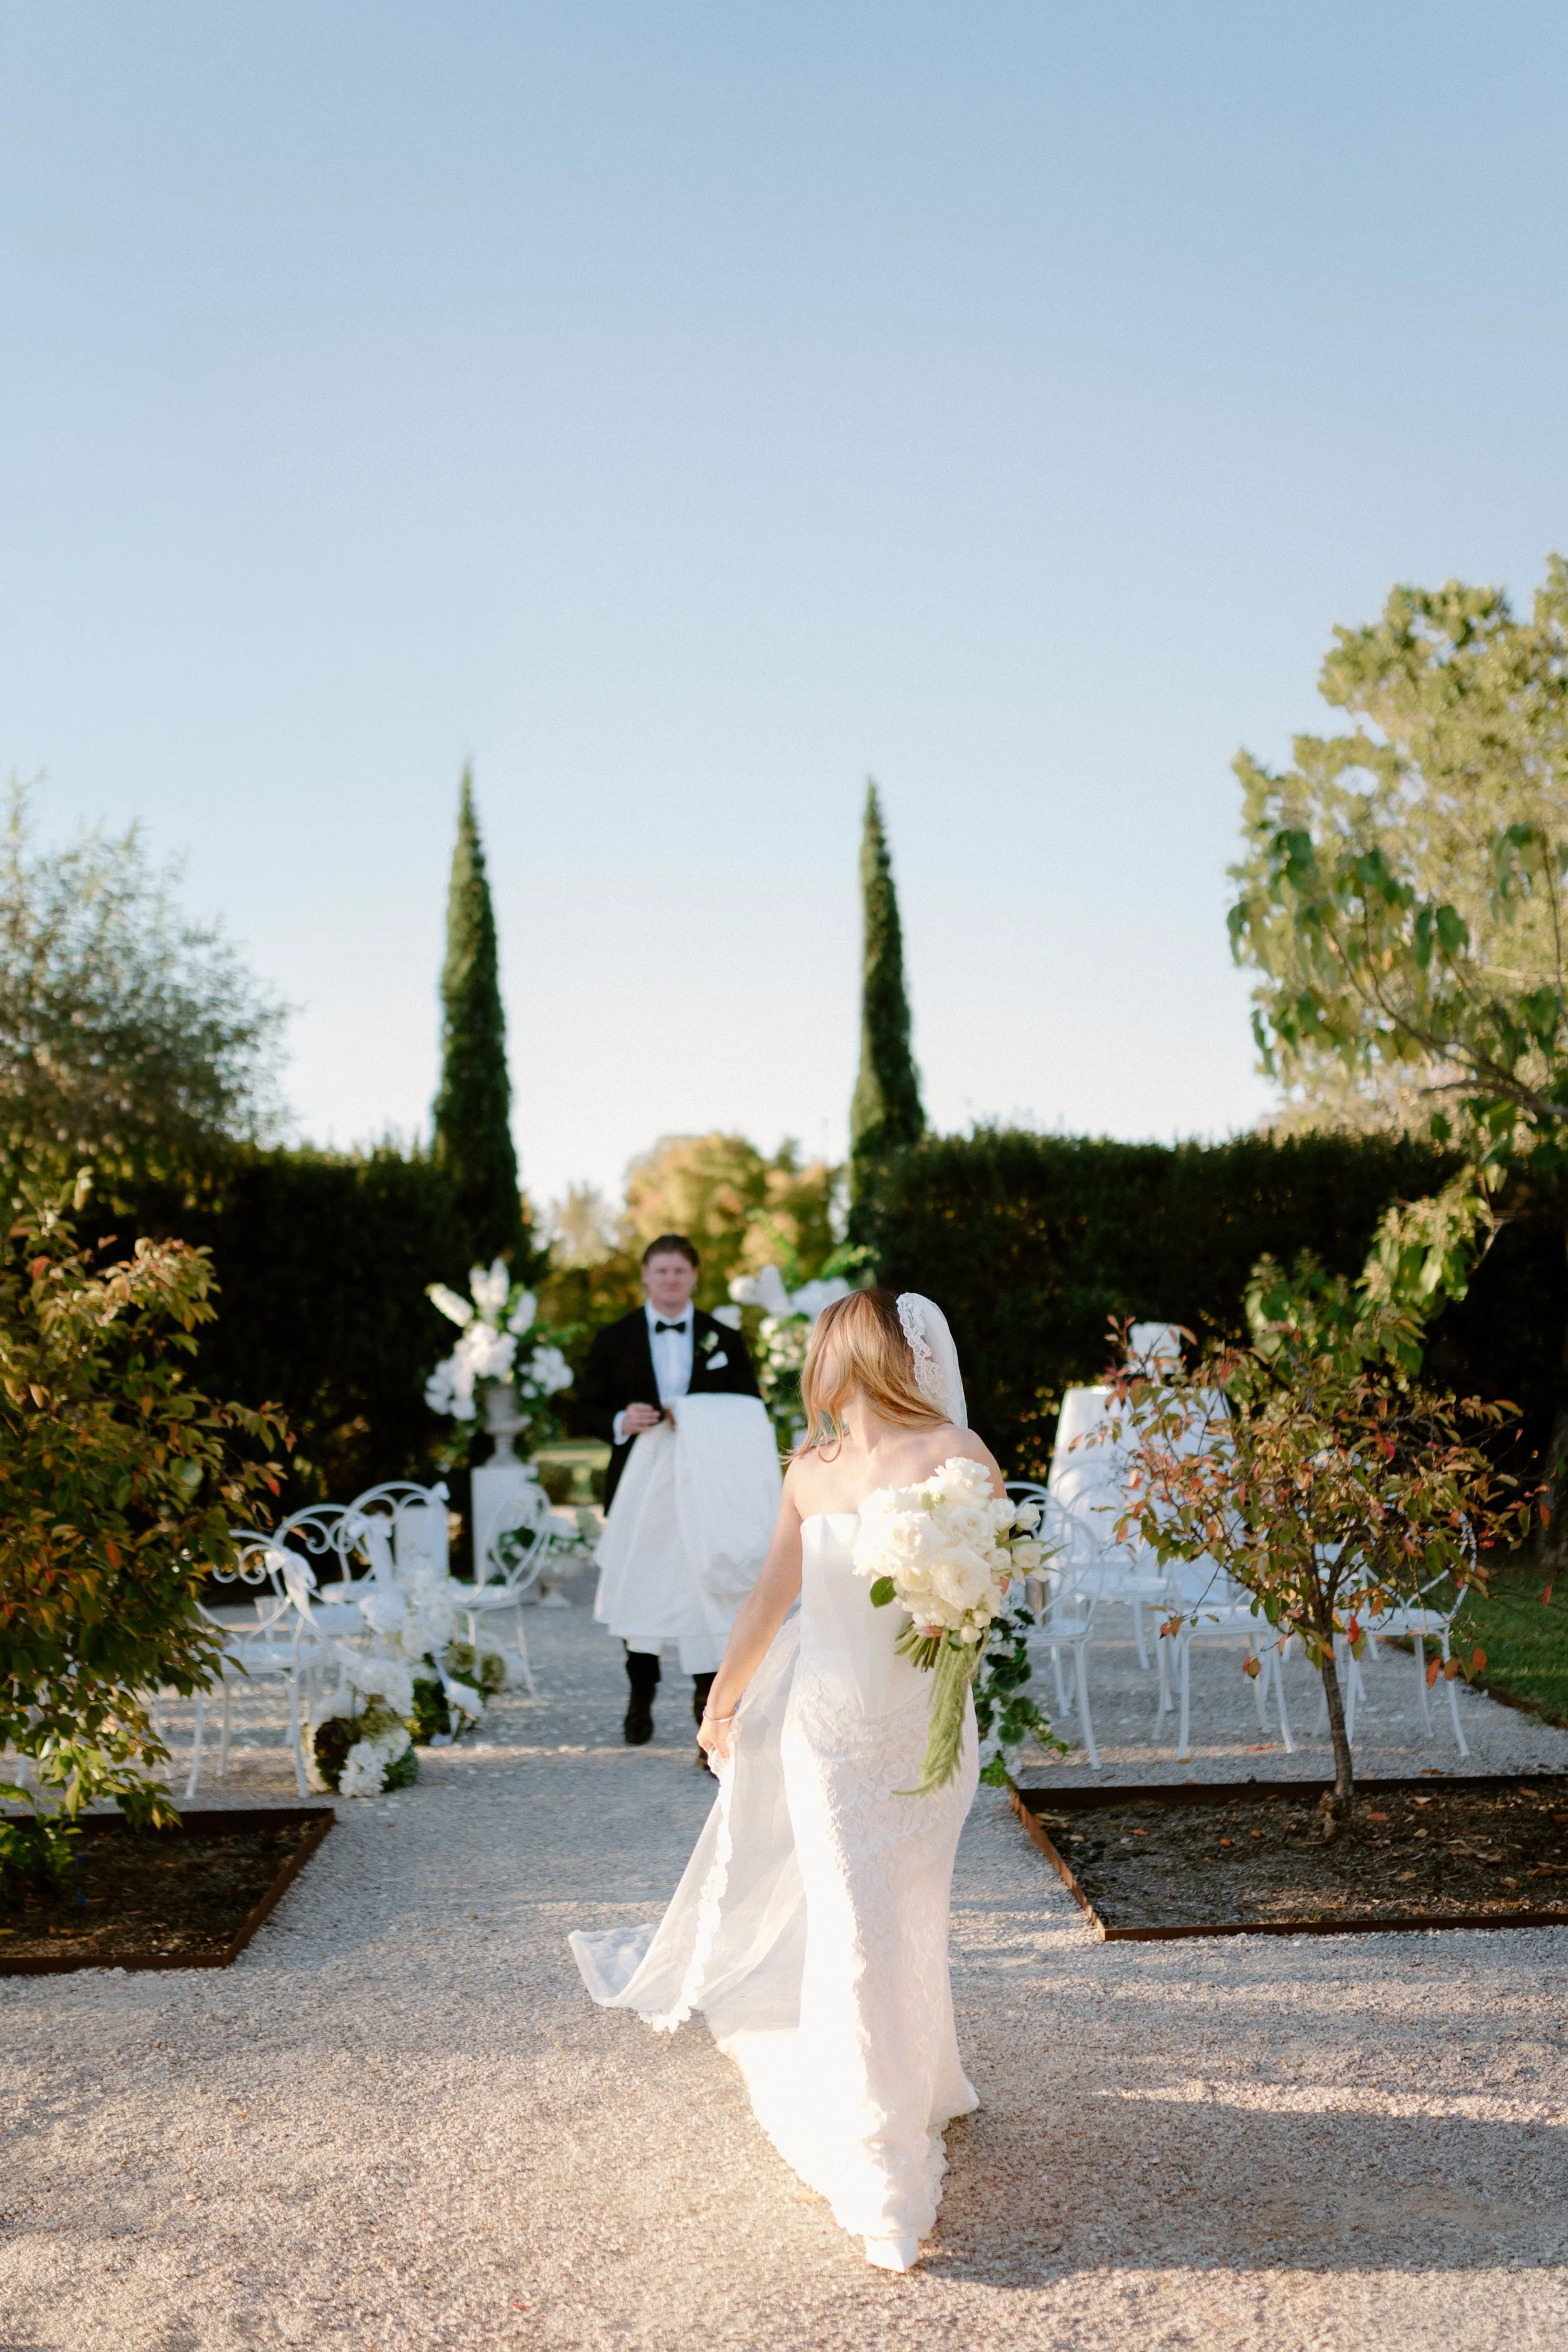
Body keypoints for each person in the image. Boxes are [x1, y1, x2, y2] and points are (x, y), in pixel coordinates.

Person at [570, 1288, 1001, 2274]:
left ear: (857, 1357)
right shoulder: (810, 1470)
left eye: (829, 1350)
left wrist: (956, 1613)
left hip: (928, 1733)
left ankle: (918, 2079)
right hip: (831, 1736)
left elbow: (993, 1584)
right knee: (856, 1922)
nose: (821, 1366)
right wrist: (723, 1696)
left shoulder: (956, 1455)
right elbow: (773, 1591)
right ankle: (882, 2164)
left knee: (908, 1911)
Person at [572, 1234, 765, 1745]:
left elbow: (750, 1406)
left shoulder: (724, 1337)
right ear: (645, 1275)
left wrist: (700, 1417)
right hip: (639, 1483)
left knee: (705, 1582)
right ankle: (641, 1693)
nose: (671, 1280)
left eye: (680, 1271)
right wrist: (619, 1418)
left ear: (694, 1275)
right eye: (661, 1272)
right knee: (642, 1581)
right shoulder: (614, 1338)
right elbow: (582, 1407)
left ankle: (709, 1702)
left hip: (709, 1485)